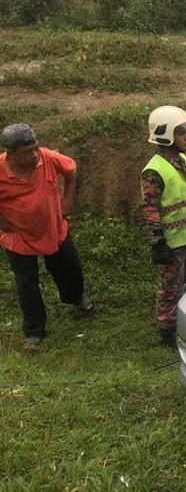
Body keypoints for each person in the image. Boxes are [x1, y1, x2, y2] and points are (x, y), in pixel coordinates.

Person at [0, 124, 94, 351]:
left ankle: (76, 297)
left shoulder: (48, 158)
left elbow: (71, 170)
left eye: (35, 148)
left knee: (70, 268)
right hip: (18, 236)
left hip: (54, 228)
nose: (34, 155)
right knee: (26, 283)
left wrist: (68, 198)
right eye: (26, 152)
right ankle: (34, 332)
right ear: (11, 154)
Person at [141, 106, 186, 349]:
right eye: (181, 133)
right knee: (170, 288)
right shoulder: (153, 171)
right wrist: (157, 242)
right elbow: (150, 209)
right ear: (165, 135)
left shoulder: (183, 160)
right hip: (171, 243)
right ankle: (168, 332)